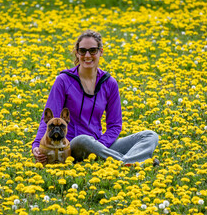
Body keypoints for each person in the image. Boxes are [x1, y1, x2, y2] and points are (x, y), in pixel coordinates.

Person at [32, 30, 159, 166]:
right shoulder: (63, 80)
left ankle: (123, 162)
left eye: (93, 50)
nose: (87, 55)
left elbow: (115, 125)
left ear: (101, 52)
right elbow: (48, 118)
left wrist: (100, 145)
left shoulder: (109, 83)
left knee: (150, 136)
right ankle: (132, 162)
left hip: (100, 145)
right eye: (82, 51)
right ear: (77, 53)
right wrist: (36, 145)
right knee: (82, 140)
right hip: (71, 146)